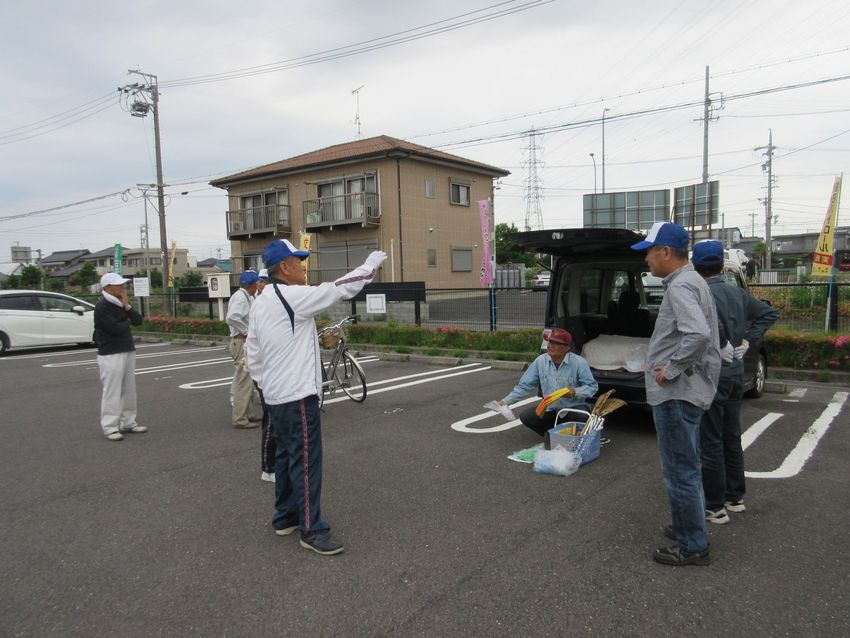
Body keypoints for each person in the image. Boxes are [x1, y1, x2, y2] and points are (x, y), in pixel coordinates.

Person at [246, 238, 387, 556]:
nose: (304, 267)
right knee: (306, 462)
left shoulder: (262, 300)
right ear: (284, 267)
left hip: (276, 396)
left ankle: (284, 517)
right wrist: (369, 267)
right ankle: (311, 529)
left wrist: (263, 385)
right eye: (299, 261)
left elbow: (251, 352)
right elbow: (337, 289)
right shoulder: (292, 296)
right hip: (297, 396)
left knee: (286, 458)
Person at [631, 221, 721, 567]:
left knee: (679, 470)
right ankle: (689, 526)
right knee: (688, 465)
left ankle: (693, 544)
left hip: (677, 393)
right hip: (689, 390)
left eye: (650, 253)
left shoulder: (680, 286)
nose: (647, 261)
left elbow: (696, 335)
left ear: (666, 252)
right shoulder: (693, 280)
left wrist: (669, 370)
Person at [692, 241, 778, 524]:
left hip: (712, 375)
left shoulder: (701, 295)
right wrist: (748, 340)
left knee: (711, 441)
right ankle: (735, 497)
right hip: (736, 374)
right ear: (721, 266)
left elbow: (702, 330)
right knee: (731, 436)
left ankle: (715, 506)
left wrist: (724, 342)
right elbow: (769, 312)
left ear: (695, 266)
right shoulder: (737, 293)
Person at [497, 327, 598, 438]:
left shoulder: (579, 362)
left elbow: (592, 387)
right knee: (526, 417)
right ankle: (551, 436)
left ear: (566, 348)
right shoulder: (541, 361)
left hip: (572, 408)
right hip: (550, 409)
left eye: (556, 343)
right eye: (549, 341)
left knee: (583, 416)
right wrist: (505, 401)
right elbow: (524, 386)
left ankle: (570, 435)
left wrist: (575, 392)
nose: (550, 345)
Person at [94, 272, 145, 441]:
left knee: (129, 389)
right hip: (110, 353)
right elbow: (116, 329)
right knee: (112, 390)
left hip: (127, 349)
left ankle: (128, 422)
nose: (123, 287)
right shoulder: (102, 307)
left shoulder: (120, 304)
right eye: (119, 285)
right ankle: (110, 426)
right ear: (108, 288)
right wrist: (127, 320)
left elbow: (138, 320)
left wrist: (127, 306)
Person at [245, 268, 275, 483]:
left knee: (277, 422)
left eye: (265, 280)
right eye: (260, 281)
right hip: (266, 375)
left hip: (277, 374)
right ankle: (268, 468)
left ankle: (275, 465)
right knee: (271, 422)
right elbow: (253, 345)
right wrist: (260, 379)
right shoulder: (258, 304)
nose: (262, 284)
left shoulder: (272, 301)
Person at [227, 270, 260, 428]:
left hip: (242, 341)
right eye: (257, 284)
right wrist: (246, 331)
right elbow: (232, 317)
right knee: (244, 380)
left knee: (248, 380)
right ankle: (240, 419)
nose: (258, 287)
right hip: (240, 342)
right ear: (252, 285)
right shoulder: (240, 297)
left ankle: (248, 414)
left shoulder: (245, 296)